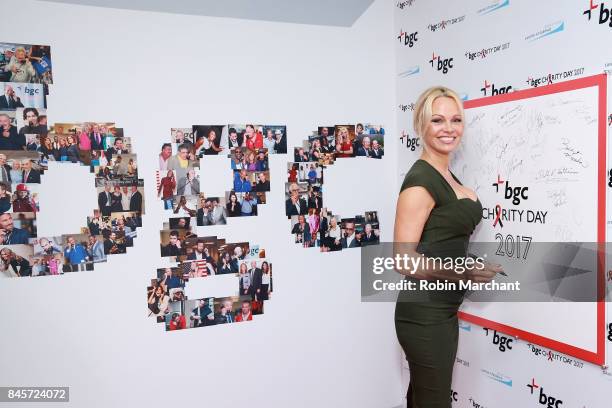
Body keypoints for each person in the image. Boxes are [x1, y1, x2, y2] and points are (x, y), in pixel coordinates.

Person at [393, 86, 503, 408]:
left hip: (442, 310)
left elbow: (442, 240)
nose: (449, 128)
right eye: (438, 120)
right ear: (421, 126)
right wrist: (462, 271)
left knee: (425, 399)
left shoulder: (447, 175)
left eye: (456, 120)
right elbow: (403, 260)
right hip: (424, 314)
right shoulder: (420, 182)